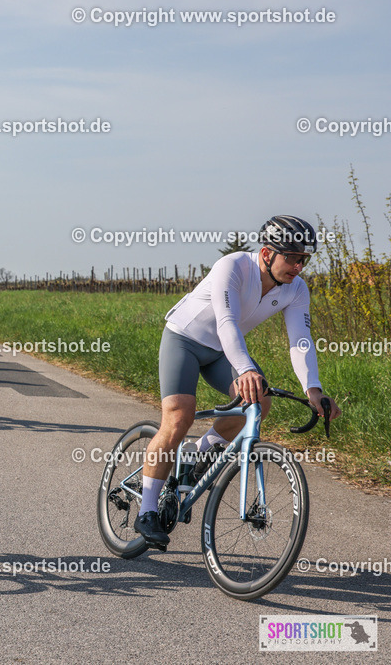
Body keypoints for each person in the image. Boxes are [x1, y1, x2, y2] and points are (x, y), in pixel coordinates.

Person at [133, 216, 341, 550]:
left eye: (304, 259)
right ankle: (146, 511)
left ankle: (201, 452)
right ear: (267, 253)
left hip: (221, 352)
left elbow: (300, 340)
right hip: (185, 339)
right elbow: (226, 322)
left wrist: (313, 390)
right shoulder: (233, 267)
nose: (298, 266)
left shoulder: (296, 289)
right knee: (179, 417)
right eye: (291, 257)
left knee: (259, 402)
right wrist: (245, 368)